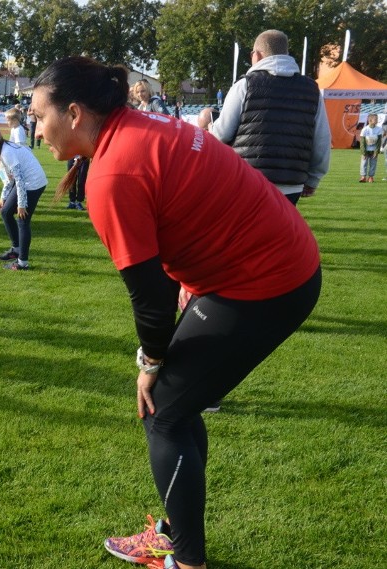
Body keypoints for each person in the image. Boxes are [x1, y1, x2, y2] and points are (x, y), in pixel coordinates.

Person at [31, 55, 321, 569]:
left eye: (38, 115)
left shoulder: (112, 172)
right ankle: (175, 535)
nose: (35, 128)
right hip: (271, 264)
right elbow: (190, 208)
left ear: (74, 113)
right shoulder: (138, 126)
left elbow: (149, 298)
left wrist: (150, 362)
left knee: (162, 411)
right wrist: (192, 284)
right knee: (179, 407)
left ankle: (187, 559)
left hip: (267, 281)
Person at [212, 29, 330, 205]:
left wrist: (209, 125)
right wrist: (313, 179)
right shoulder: (312, 89)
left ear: (257, 55)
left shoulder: (245, 84)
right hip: (292, 182)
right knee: (280, 232)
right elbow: (321, 139)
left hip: (249, 179)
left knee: (247, 231)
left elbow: (221, 133)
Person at [0, 124, 47, 271]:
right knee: (5, 211)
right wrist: (3, 197)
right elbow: (9, 179)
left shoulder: (6, 152)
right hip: (24, 181)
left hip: (33, 183)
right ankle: (16, 249)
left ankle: (22, 263)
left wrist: (21, 204)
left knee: (23, 220)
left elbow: (20, 180)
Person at [358, 113, 381, 183]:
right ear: (370, 120)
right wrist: (364, 153)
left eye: (377, 119)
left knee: (373, 164)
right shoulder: (365, 129)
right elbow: (362, 143)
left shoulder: (379, 129)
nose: (377, 120)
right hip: (366, 150)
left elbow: (379, 142)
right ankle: (363, 177)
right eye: (375, 119)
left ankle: (371, 177)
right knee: (364, 163)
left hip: (374, 150)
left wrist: (376, 152)